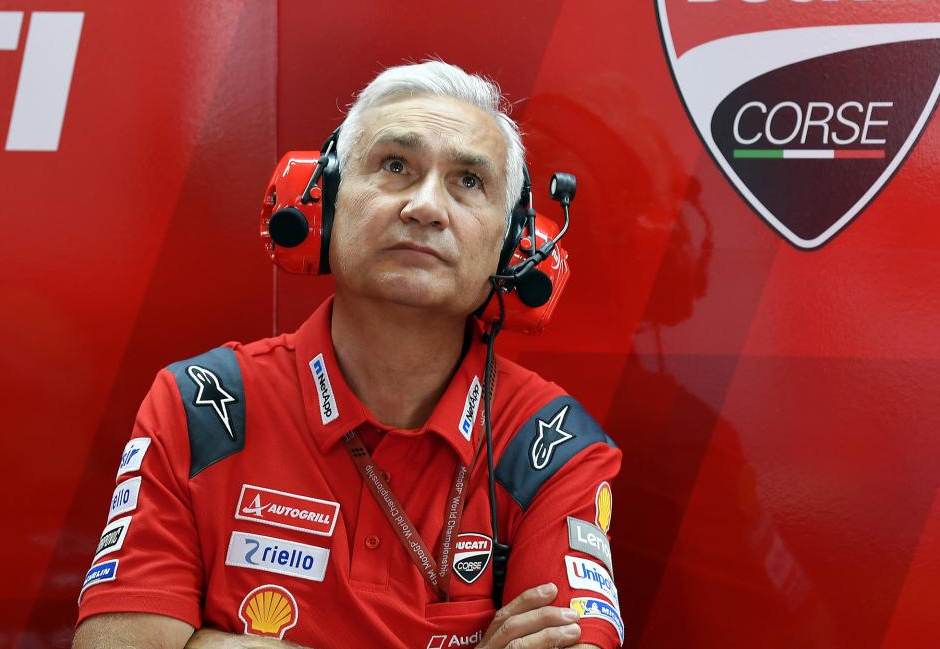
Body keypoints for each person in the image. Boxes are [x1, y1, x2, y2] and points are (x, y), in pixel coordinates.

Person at [72, 61, 623, 649]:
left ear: (514, 246)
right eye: (395, 166)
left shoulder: (554, 445)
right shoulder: (202, 405)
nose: (426, 207)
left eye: (467, 181)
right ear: (323, 205)